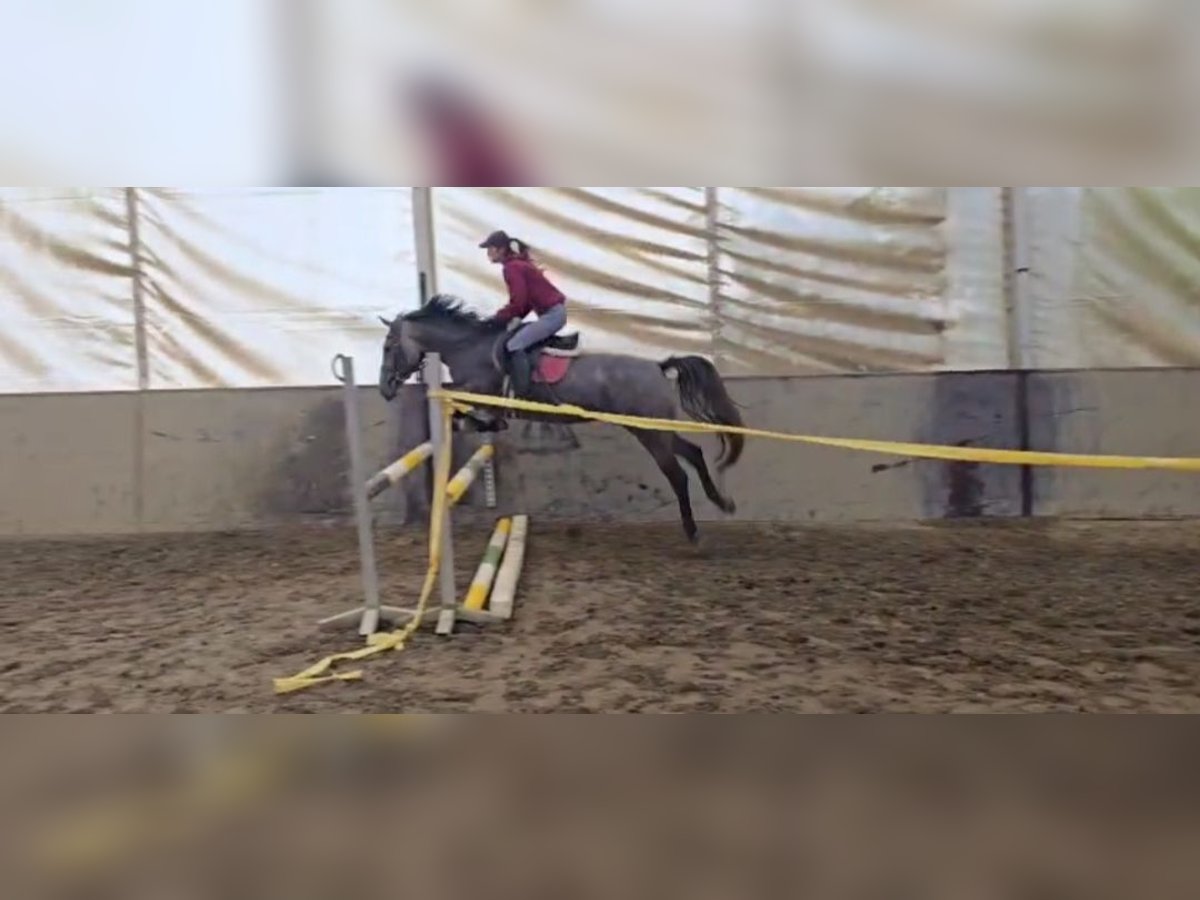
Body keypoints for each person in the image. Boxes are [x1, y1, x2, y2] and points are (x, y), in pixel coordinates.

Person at [479, 230, 567, 396]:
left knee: (514, 345)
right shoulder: (517, 265)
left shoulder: (512, 268)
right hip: (553, 313)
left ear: (501, 249)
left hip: (552, 315)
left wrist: (498, 317)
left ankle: (522, 394)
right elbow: (525, 303)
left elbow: (518, 302)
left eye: (490, 248)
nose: (488, 253)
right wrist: (512, 317)